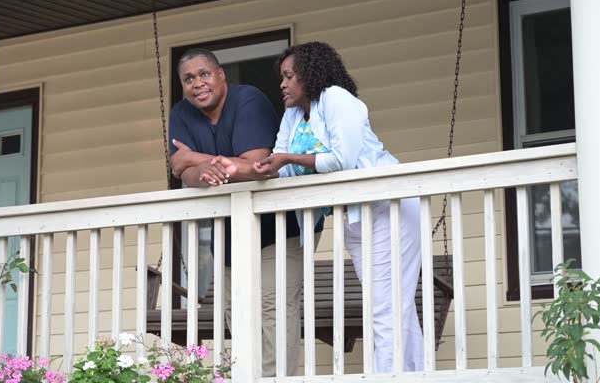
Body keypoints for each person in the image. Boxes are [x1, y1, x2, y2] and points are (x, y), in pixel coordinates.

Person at [250, 41, 424, 373]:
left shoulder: (336, 99)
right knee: (393, 308)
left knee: (386, 310)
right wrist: (261, 168)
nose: (282, 85)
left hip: (388, 206)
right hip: (355, 216)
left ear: (309, 75)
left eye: (289, 76)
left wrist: (287, 158)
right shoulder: (292, 114)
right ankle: (416, 374)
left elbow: (341, 160)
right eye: (281, 78)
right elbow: (282, 164)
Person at [168, 48, 321, 377]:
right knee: (234, 313)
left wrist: (193, 157)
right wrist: (205, 165)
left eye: (204, 74)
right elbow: (185, 176)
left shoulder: (247, 99)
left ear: (221, 75)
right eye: (189, 79)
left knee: (273, 308)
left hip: (279, 227)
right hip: (228, 233)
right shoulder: (181, 113)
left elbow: (257, 166)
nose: (198, 84)